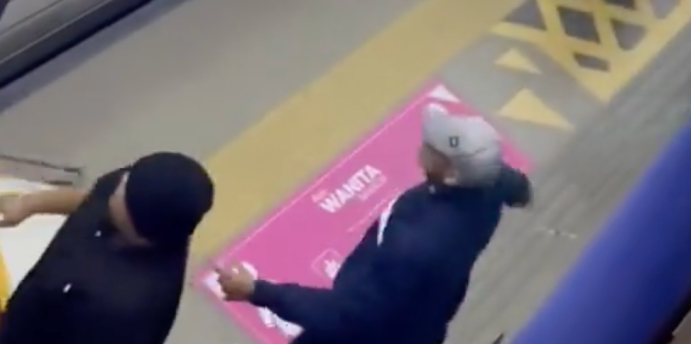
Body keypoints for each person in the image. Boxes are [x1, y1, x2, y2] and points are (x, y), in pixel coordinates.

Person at [216, 104, 532, 344]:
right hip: (425, 323)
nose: (424, 144)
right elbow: (520, 189)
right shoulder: (490, 182)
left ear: (451, 173)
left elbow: (344, 315)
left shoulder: (412, 246)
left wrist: (257, 291)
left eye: (434, 149)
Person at [0, 152, 214, 344]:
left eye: (124, 190)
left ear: (136, 224)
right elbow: (92, 201)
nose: (119, 182)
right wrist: (30, 204)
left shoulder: (123, 314)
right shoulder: (129, 194)